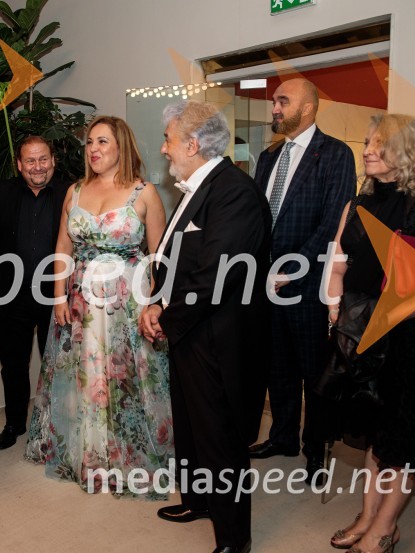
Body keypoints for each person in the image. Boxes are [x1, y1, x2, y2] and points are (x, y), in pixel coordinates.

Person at [325, 114, 415, 553]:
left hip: (412, 338)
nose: (367, 150)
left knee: (402, 436)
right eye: (368, 142)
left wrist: (387, 320)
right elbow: (337, 263)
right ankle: (368, 516)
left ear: (407, 151)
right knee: (374, 430)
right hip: (360, 335)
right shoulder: (357, 205)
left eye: (379, 143)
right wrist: (335, 311)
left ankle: (384, 527)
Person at [140, 101, 270, 553]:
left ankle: (234, 538)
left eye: (169, 140)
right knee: (192, 427)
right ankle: (199, 502)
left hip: (218, 337)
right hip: (191, 330)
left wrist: (166, 316)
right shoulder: (197, 187)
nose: (164, 148)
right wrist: (156, 300)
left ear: (192, 145)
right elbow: (174, 260)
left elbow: (215, 275)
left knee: (219, 437)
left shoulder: (233, 191)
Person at [24, 115, 173, 497]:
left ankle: (128, 454)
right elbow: (62, 247)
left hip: (128, 303)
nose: (93, 148)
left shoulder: (145, 193)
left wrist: (155, 305)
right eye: (90, 142)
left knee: (127, 379)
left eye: (102, 141)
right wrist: (58, 296)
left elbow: (159, 257)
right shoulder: (74, 191)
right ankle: (89, 455)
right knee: (84, 378)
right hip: (80, 303)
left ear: (122, 146)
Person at [249, 78, 356, 482]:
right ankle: (282, 438)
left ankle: (315, 451)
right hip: (265, 285)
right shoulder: (267, 157)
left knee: (315, 374)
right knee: (277, 369)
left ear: (308, 107)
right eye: (274, 101)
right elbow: (258, 217)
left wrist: (292, 269)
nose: (274, 108)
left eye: (283, 101)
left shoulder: (336, 154)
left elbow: (334, 223)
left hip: (308, 287)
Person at [0, 135, 68, 450]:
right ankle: (14, 423)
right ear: (19, 165)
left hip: (55, 298)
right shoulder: (3, 192)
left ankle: (56, 426)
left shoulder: (71, 193)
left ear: (53, 160)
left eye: (43, 159)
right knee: (13, 365)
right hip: (12, 296)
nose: (37, 167)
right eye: (30, 160)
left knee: (57, 366)